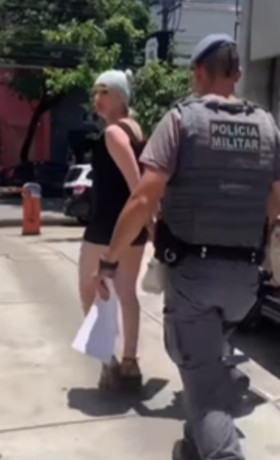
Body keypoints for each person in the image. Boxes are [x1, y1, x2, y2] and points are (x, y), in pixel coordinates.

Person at [93, 34, 280, 460]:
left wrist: (109, 261)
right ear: (237, 74)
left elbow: (143, 200)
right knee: (208, 366)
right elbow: (276, 205)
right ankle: (193, 445)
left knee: (206, 387)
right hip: (245, 283)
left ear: (198, 72)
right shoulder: (268, 126)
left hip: (195, 279)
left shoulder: (181, 121)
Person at [79, 69, 147, 391]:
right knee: (126, 292)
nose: (97, 98)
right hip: (132, 226)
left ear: (121, 96)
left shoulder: (113, 134)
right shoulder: (135, 129)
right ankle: (130, 362)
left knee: (89, 288)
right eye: (96, 92)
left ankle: (109, 362)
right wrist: (148, 222)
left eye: (104, 92)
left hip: (107, 226)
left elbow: (137, 184)